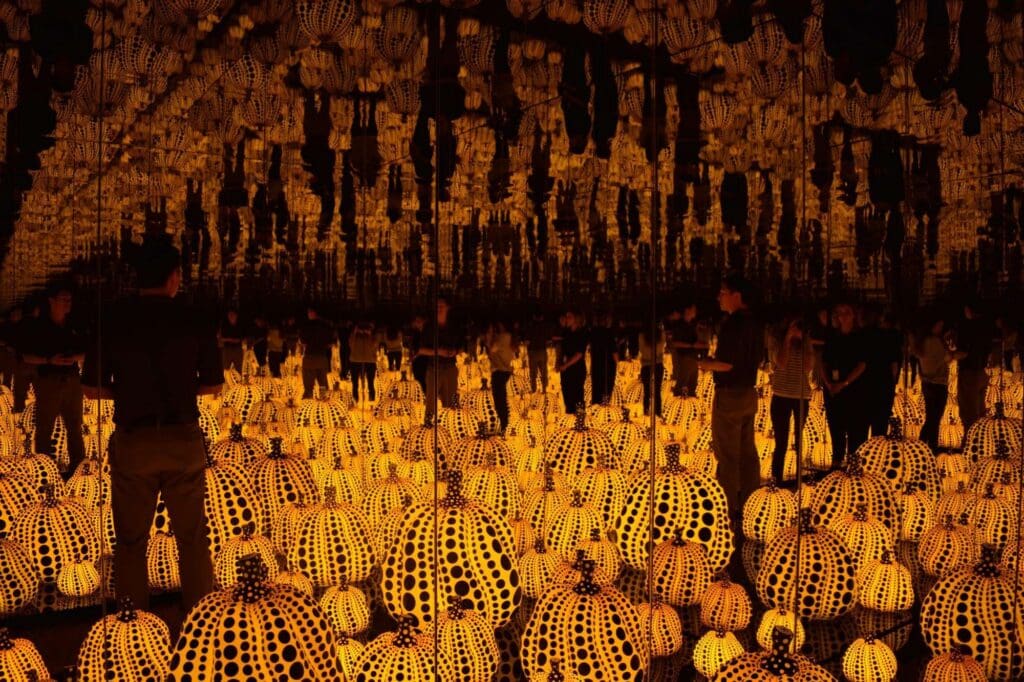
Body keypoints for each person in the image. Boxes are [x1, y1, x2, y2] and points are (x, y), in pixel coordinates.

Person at [82, 238, 221, 611]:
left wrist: (129, 392)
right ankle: (200, 625)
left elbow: (92, 389)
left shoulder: (113, 318)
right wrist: (179, 390)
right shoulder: (194, 317)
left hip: (135, 442)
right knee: (192, 539)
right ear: (174, 277)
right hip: (182, 441)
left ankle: (134, 625)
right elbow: (213, 384)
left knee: (131, 542)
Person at [698, 274, 763, 516]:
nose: (719, 297)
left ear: (737, 295)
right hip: (748, 393)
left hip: (731, 395)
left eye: (723, 292)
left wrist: (706, 364)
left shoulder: (733, 325)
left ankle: (727, 507)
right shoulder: (756, 324)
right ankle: (751, 501)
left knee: (727, 454)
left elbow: (727, 364)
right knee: (747, 451)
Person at [21, 284, 87, 478]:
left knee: (75, 425)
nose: (68, 303)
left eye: (70, 300)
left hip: (72, 380)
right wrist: (49, 360)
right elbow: (25, 356)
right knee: (45, 427)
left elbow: (87, 351)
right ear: (51, 301)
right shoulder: (39, 327)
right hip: (48, 381)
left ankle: (79, 472)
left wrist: (75, 357)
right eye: (63, 299)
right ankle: (45, 472)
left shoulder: (74, 326)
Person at [820, 302, 869, 465]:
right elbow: (823, 362)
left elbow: (862, 365)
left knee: (856, 434)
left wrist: (845, 383)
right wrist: (828, 383)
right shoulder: (832, 337)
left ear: (853, 315)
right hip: (834, 392)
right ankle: (836, 468)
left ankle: (854, 469)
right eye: (839, 313)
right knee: (836, 431)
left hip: (854, 392)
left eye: (846, 312)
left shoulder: (860, 337)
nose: (843, 316)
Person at [768, 315, 813, 485]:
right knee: (781, 442)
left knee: (799, 440)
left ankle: (797, 478)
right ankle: (776, 480)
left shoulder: (805, 345)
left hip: (801, 397)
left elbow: (808, 366)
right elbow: (781, 363)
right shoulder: (777, 342)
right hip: (781, 396)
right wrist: (787, 339)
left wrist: (804, 342)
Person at [952, 298, 994, 435]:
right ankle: (981, 438)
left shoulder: (968, 328)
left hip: (969, 373)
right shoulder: (986, 327)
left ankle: (971, 441)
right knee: (980, 409)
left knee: (968, 411)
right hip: (982, 372)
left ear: (970, 310)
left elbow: (964, 352)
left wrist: (949, 356)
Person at [859, 305, 901, 437]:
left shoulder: (861, 335)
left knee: (861, 427)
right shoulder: (889, 336)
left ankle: (861, 454)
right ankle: (876, 454)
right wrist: (892, 383)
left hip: (864, 385)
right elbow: (894, 364)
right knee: (880, 427)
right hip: (883, 385)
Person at [418, 295, 462, 418]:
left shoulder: (453, 326)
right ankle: (429, 428)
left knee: (451, 402)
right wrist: (438, 352)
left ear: (448, 308)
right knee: (431, 402)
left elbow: (462, 346)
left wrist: (455, 352)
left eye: (441, 306)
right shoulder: (429, 327)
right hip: (434, 368)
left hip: (450, 368)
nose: (439, 309)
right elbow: (420, 349)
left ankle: (450, 426)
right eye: (437, 306)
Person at [912, 315, 951, 453]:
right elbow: (946, 357)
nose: (941, 329)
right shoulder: (933, 341)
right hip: (937, 383)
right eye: (939, 325)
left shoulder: (922, 341)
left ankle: (927, 446)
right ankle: (926, 446)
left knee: (932, 416)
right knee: (934, 417)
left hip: (927, 383)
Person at [669, 301, 706, 397]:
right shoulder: (679, 325)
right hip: (685, 358)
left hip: (694, 358)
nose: (695, 312)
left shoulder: (692, 324)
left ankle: (691, 406)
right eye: (693, 310)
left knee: (693, 386)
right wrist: (692, 345)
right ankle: (677, 408)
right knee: (681, 385)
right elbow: (674, 343)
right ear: (687, 310)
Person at [299, 305, 335, 398]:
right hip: (322, 357)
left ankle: (308, 402)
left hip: (310, 356)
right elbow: (331, 342)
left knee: (308, 384)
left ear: (313, 313)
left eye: (309, 312)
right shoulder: (327, 326)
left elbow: (303, 341)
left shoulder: (306, 326)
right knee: (323, 382)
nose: (308, 314)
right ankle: (324, 402)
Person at [556, 308, 587, 413]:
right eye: (566, 316)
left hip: (576, 369)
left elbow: (579, 354)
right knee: (567, 396)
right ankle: (569, 421)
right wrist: (558, 362)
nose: (566, 319)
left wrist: (566, 365)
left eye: (569, 317)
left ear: (576, 319)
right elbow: (562, 348)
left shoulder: (582, 333)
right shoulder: (566, 332)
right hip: (566, 370)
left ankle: (579, 423)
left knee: (577, 396)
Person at [486, 321, 515, 432]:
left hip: (500, 371)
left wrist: (489, 336)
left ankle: (504, 425)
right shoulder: (508, 337)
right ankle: (504, 423)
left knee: (500, 400)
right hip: (504, 370)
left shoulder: (503, 337)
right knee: (501, 399)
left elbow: (491, 349)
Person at [589, 311, 618, 404]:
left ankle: (595, 409)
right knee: (606, 390)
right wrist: (619, 363)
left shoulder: (593, 333)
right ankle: (604, 409)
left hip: (596, 366)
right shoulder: (609, 334)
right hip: (607, 367)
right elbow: (614, 353)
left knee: (596, 389)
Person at [638, 320, 666, 417]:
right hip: (658, 364)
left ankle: (646, 412)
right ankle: (658, 413)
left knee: (647, 391)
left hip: (646, 365)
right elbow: (662, 348)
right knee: (657, 391)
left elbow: (642, 350)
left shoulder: (642, 336)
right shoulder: (661, 335)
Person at [349, 320, 378, 404]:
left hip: (369, 361)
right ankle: (355, 400)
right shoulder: (354, 337)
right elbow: (351, 343)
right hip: (356, 360)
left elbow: (374, 345)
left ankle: (371, 402)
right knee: (355, 383)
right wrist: (355, 332)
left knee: (370, 383)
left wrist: (370, 335)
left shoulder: (372, 337)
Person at [525, 310, 551, 393]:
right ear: (542, 317)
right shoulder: (545, 327)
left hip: (533, 352)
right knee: (544, 371)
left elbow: (527, 341)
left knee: (533, 373)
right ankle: (544, 389)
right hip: (542, 351)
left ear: (534, 317)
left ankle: (533, 389)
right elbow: (548, 340)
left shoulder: (530, 326)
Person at [408, 314, 428, 395]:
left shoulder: (427, 333)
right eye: (416, 321)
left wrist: (415, 354)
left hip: (425, 360)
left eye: (419, 321)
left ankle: (425, 396)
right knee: (418, 381)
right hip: (417, 361)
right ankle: (422, 397)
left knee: (424, 380)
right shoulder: (415, 333)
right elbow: (413, 347)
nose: (417, 323)